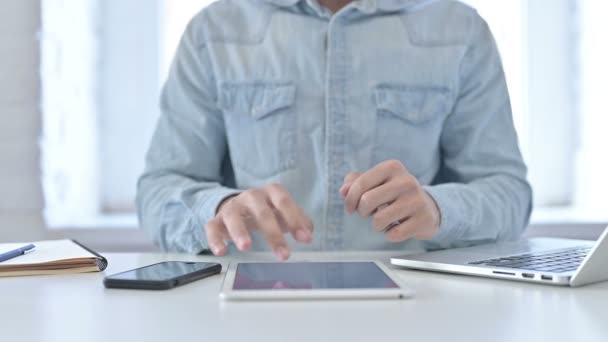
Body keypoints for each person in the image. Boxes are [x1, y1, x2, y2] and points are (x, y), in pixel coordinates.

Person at [137, 0, 532, 261]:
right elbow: (157, 191)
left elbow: (509, 193)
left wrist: (438, 209)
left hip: (415, 301)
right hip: (253, 301)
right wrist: (219, 208)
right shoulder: (213, 31)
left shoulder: (460, 30)